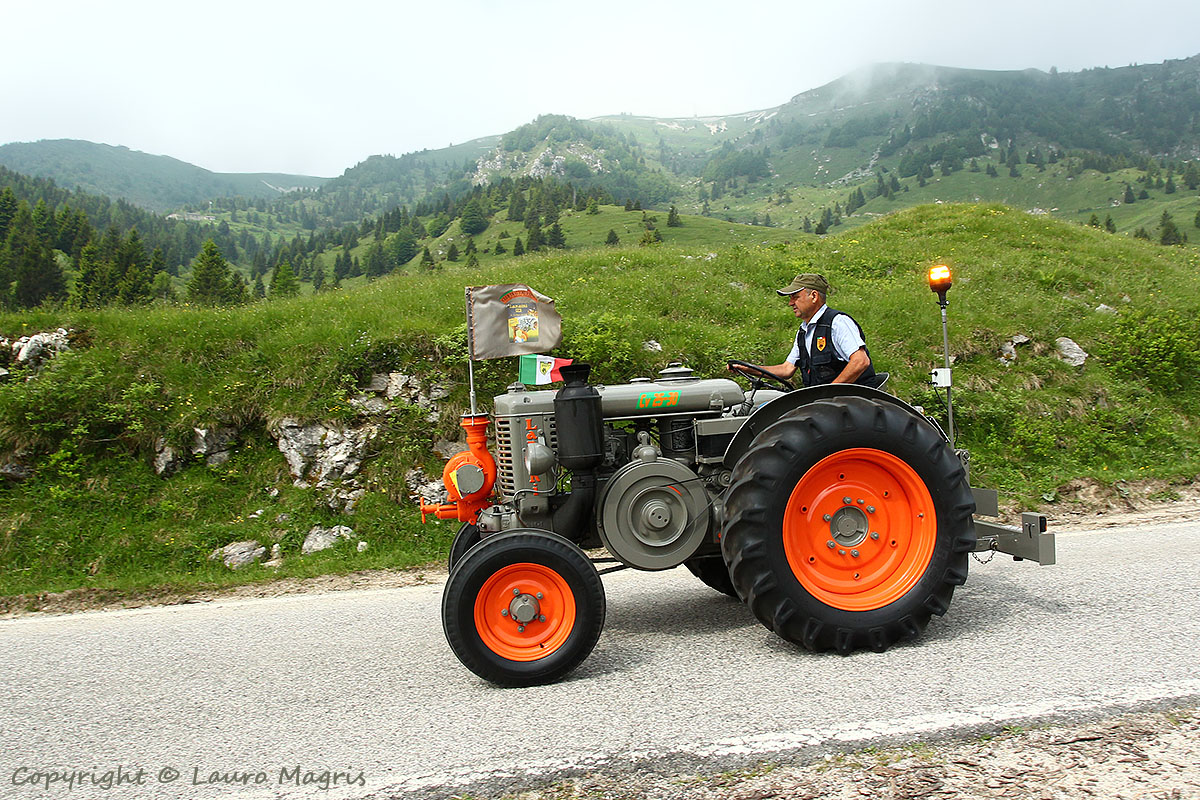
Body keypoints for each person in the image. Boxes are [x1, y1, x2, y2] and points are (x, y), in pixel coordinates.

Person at [731, 273, 876, 387]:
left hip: (849, 402)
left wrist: (828, 396)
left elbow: (860, 361)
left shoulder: (837, 322)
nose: (790, 303)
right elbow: (786, 370)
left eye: (795, 297)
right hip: (826, 403)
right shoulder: (803, 331)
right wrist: (747, 368)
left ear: (814, 296)